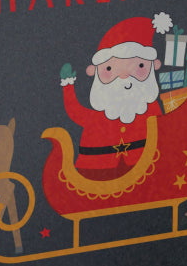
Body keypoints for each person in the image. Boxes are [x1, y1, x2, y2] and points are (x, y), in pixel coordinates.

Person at [60, 15, 170, 180]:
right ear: (94, 71)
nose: (124, 75)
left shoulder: (150, 108)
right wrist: (68, 87)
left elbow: (163, 130)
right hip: (96, 170)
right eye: (111, 68)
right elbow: (76, 113)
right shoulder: (100, 114)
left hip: (146, 167)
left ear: (153, 66)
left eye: (139, 66)